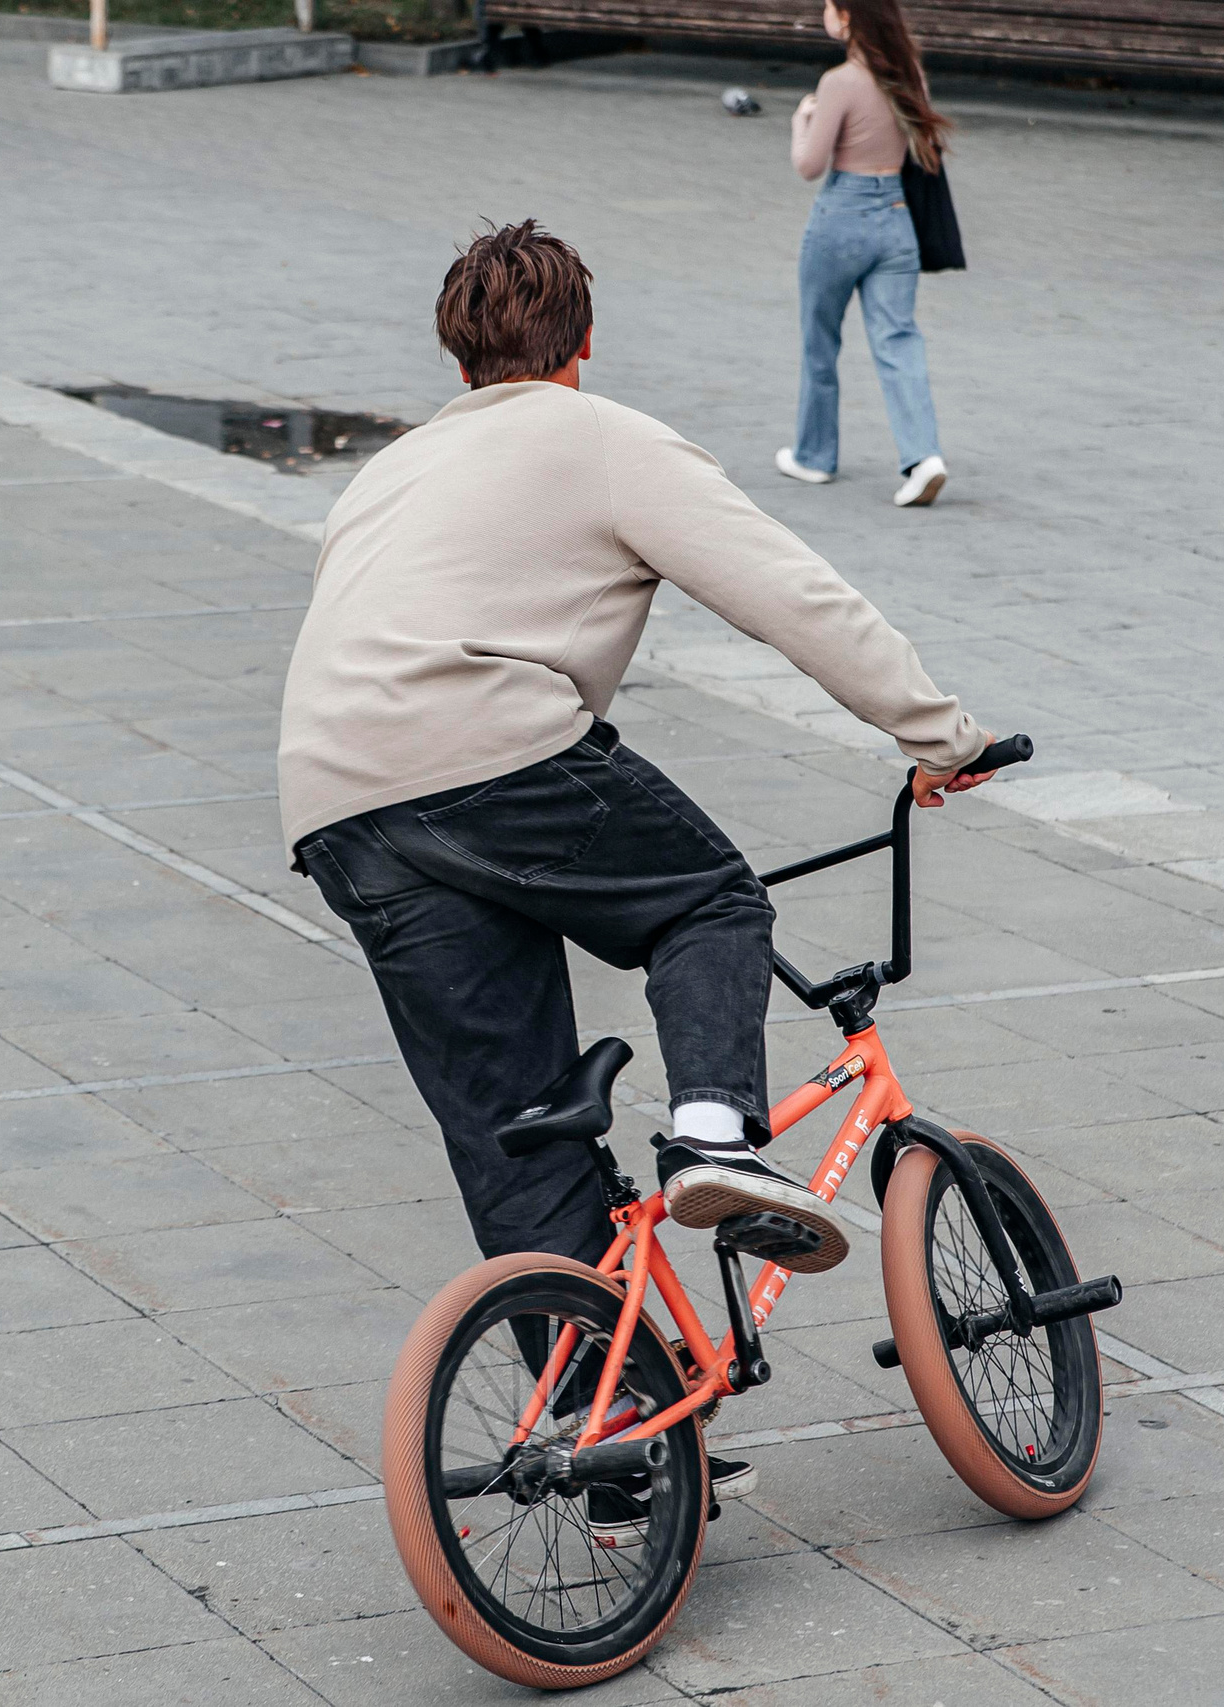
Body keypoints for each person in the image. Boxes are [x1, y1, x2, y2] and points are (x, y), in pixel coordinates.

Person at [278, 222, 994, 1521]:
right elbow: (791, 590)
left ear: (458, 351)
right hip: (489, 750)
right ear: (584, 345)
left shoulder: (383, 474)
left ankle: (619, 1442)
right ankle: (715, 1128)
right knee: (708, 897)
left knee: (522, 1130)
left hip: (337, 807)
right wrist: (939, 734)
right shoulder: (600, 436)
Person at [777, 0, 954, 507]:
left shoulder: (840, 82)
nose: (824, 12)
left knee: (820, 339)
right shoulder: (909, 73)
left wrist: (800, 122)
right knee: (899, 338)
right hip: (897, 219)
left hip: (842, 216)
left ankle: (814, 457)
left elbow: (809, 165)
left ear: (849, 16)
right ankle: (924, 457)